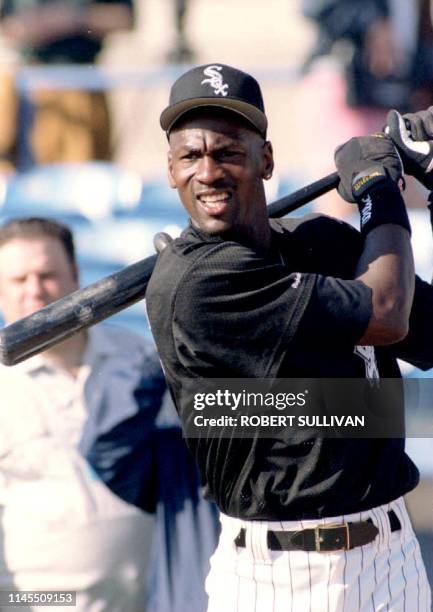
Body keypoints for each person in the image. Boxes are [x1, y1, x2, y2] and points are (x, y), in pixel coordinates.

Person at [145, 63, 433, 610]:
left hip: (392, 558)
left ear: (267, 160)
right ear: (170, 169)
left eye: (228, 151)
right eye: (191, 156)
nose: (208, 171)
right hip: (278, 574)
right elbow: (388, 314)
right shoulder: (198, 283)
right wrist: (379, 189)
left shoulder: (321, 242)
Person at [0, 216, 220, 612]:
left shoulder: (139, 358)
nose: (35, 290)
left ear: (76, 277)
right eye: (19, 280)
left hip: (146, 597)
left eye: (47, 274)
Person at [296, 0, 433, 216]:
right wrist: (371, 22)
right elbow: (315, 6)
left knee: (409, 205)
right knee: (346, 192)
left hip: (397, 97)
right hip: (344, 88)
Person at [0, 0, 134, 171]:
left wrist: (73, 18)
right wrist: (39, 24)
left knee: (82, 173)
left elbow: (124, 18)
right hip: (35, 88)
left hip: (85, 86)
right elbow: (9, 25)